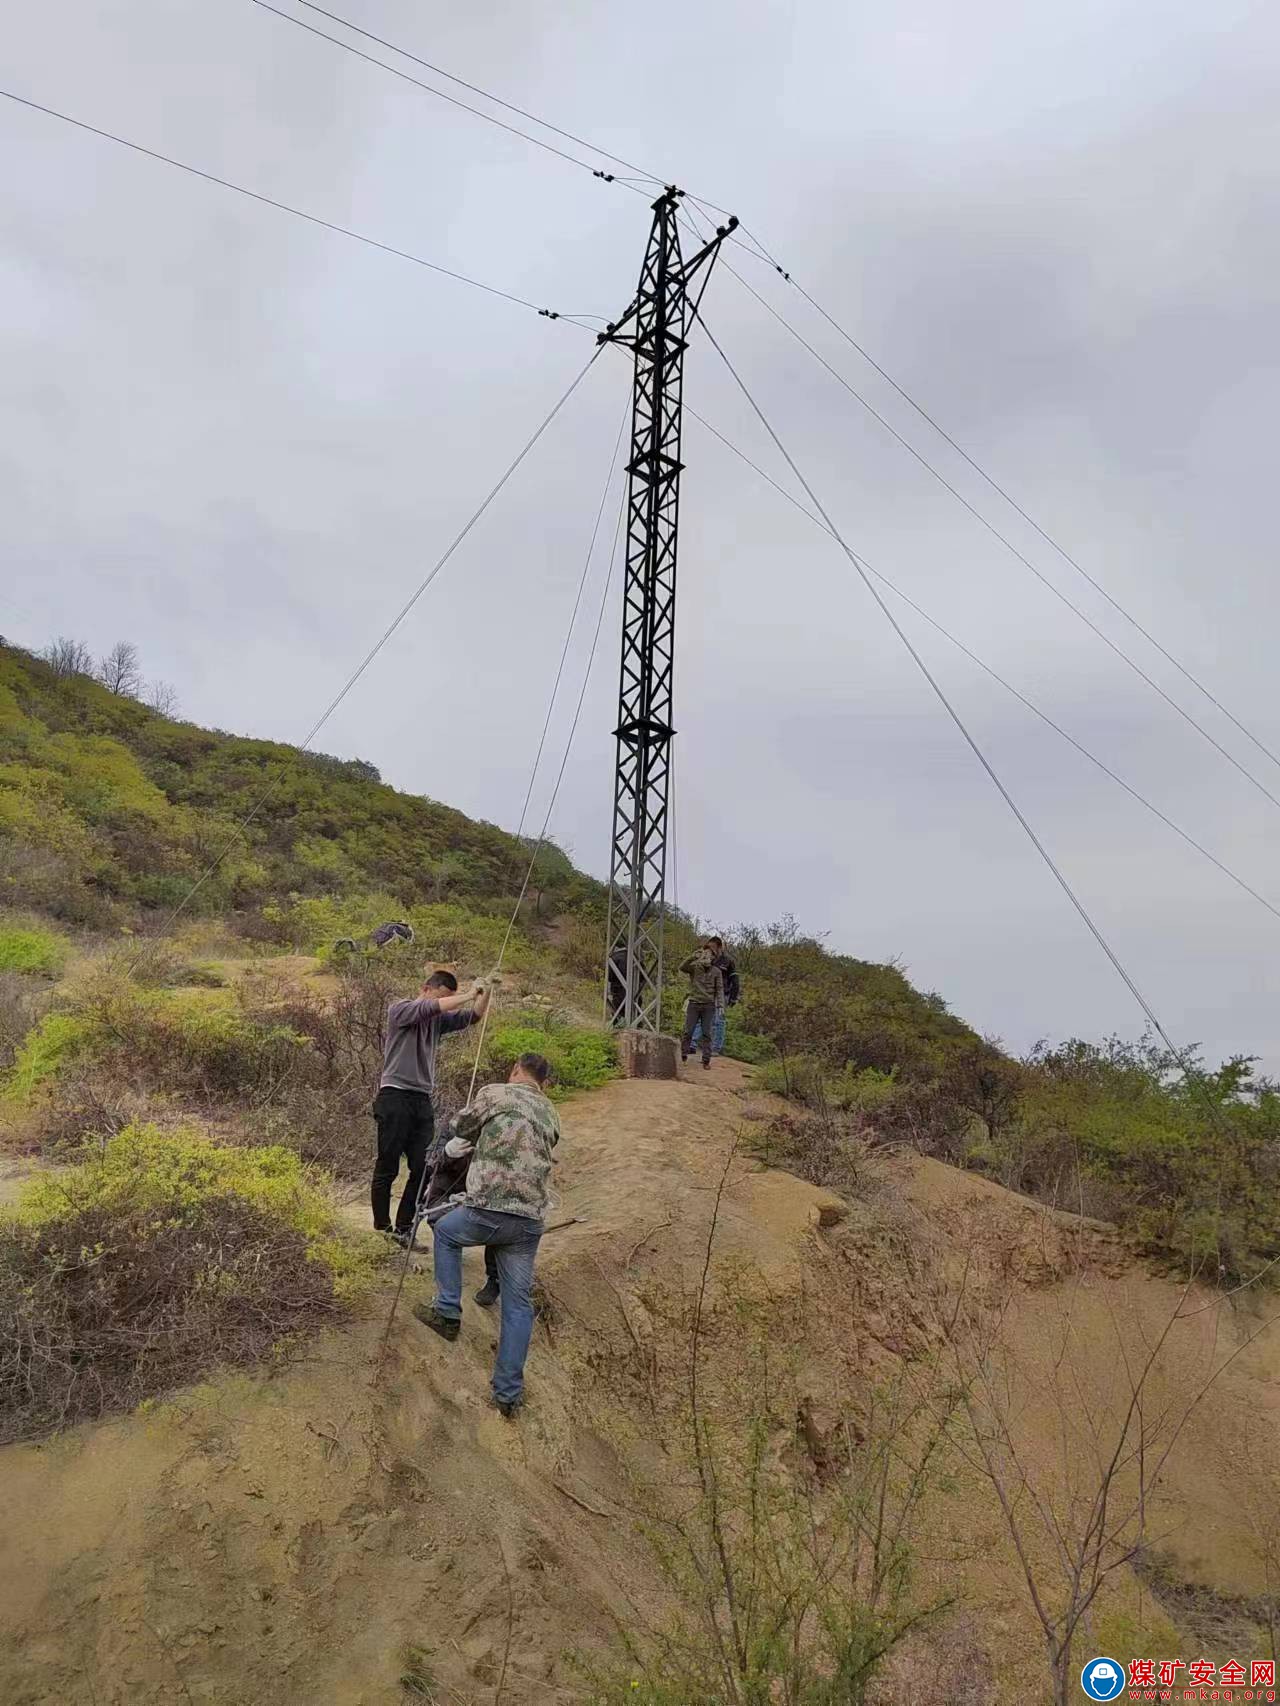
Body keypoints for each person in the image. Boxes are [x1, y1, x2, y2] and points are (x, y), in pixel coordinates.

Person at [414, 1052, 561, 1418]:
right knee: (518, 1305)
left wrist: (456, 1145)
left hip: (490, 1207)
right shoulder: (551, 1111)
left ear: (515, 1070)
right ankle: (507, 1394)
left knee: (446, 1234)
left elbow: (459, 1126)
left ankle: (447, 1311)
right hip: (530, 1220)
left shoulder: (496, 1092)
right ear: (543, 1082)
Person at [370, 968, 491, 1242]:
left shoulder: (437, 1020)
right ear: (426, 989)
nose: (443, 1005)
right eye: (441, 998)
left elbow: (473, 1017)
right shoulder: (400, 1009)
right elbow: (431, 1008)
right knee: (387, 1165)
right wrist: (467, 994)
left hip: (421, 1100)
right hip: (395, 1096)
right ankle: (381, 1228)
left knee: (424, 1166)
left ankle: (404, 1228)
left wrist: (484, 994)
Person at [691, 936, 739, 1057]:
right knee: (701, 1019)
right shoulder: (707, 959)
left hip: (722, 994)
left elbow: (735, 980)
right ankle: (692, 1044)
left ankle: (716, 1048)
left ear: (719, 947)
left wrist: (733, 996)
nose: (711, 950)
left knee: (719, 1021)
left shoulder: (728, 961)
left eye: (713, 947)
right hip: (707, 993)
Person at [679, 942, 725, 1069]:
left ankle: (706, 1061)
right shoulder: (695, 967)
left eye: (710, 954)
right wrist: (693, 956)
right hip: (694, 1003)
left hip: (708, 1006)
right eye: (705, 952)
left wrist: (720, 1005)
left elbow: (719, 988)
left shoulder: (716, 972)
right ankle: (683, 1055)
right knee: (688, 1031)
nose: (707, 956)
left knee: (707, 1033)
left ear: (713, 957)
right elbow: (682, 967)